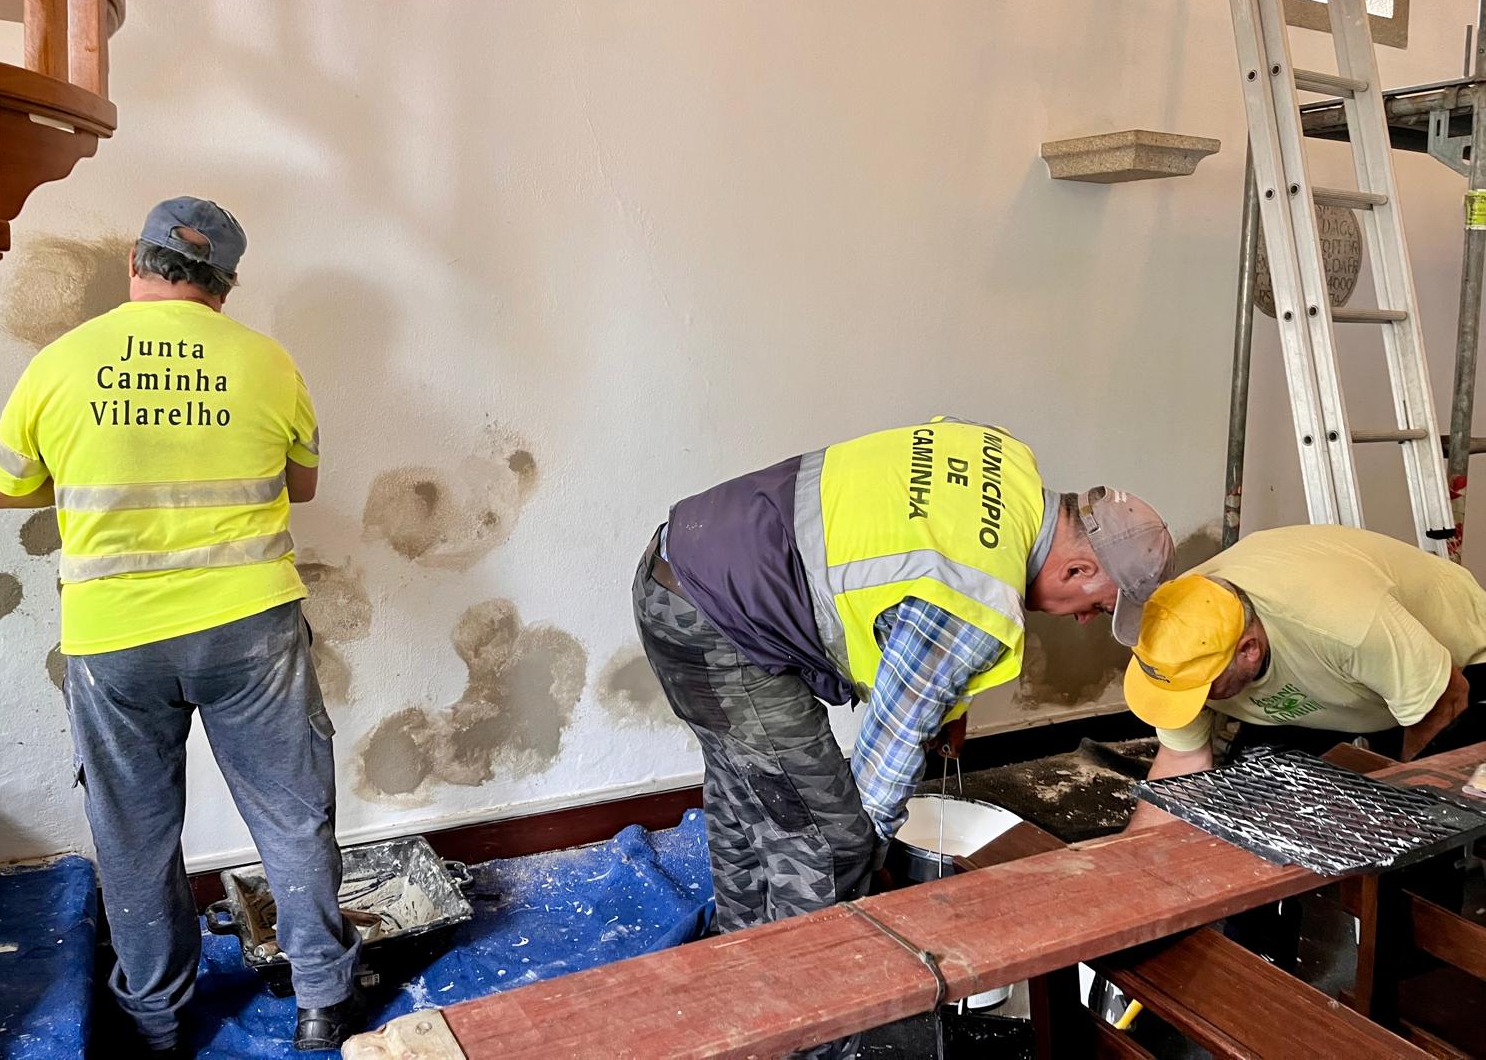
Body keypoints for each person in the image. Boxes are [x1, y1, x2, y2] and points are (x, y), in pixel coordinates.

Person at [0, 198, 361, 1054]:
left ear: (135, 262)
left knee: (136, 836)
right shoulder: (268, 362)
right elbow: (299, 486)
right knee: (291, 817)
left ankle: (157, 1021)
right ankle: (323, 1002)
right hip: (250, 630)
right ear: (225, 285)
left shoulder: (61, 363)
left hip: (115, 639)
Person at [633, 419, 1173, 986]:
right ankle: (806, 1003)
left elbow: (922, 556)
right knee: (830, 842)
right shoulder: (976, 600)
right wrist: (868, 871)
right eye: (1100, 606)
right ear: (1079, 569)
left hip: (677, 569)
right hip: (719, 625)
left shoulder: (1004, 456)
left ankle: (736, 962)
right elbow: (881, 770)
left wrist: (951, 704)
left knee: (750, 791)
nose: (1085, 620)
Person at [1124, 524, 1486, 832]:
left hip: (1461, 661)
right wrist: (1132, 859)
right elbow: (1181, 763)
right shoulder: (1174, 635)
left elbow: (1447, 697)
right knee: (1252, 793)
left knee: (1428, 823)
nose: (1195, 703)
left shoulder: (1346, 624)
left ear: (1248, 650)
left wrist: (1407, 813)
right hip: (1341, 677)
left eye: (1202, 688)